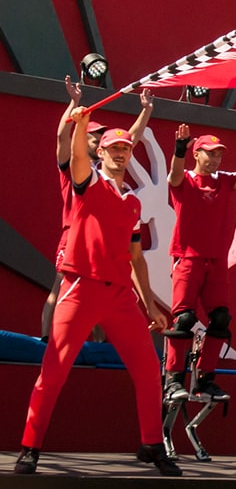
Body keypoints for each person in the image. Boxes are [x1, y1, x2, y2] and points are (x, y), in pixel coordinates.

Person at [14, 108, 180, 476]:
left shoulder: (133, 202)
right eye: (113, 148)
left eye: (125, 148)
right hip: (80, 288)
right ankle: (29, 448)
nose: (120, 153)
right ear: (100, 153)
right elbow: (73, 154)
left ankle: (152, 444)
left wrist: (150, 303)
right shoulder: (87, 183)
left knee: (148, 368)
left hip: (120, 296)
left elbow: (136, 256)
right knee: (53, 372)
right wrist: (81, 122)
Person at [43, 79, 153, 343]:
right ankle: (47, 340)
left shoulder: (107, 171)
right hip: (74, 234)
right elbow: (62, 136)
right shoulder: (73, 166)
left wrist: (146, 110)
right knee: (61, 287)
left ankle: (98, 346)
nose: (97, 139)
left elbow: (131, 140)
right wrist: (74, 104)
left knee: (103, 293)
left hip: (100, 239)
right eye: (94, 134)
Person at [162, 125, 236, 402]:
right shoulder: (186, 181)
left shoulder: (223, 180)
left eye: (219, 155)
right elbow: (174, 175)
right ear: (197, 154)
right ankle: (174, 379)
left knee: (220, 319)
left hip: (215, 261)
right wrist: (179, 149)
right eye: (210, 154)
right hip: (188, 257)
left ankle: (205, 379)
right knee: (184, 320)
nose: (216, 159)